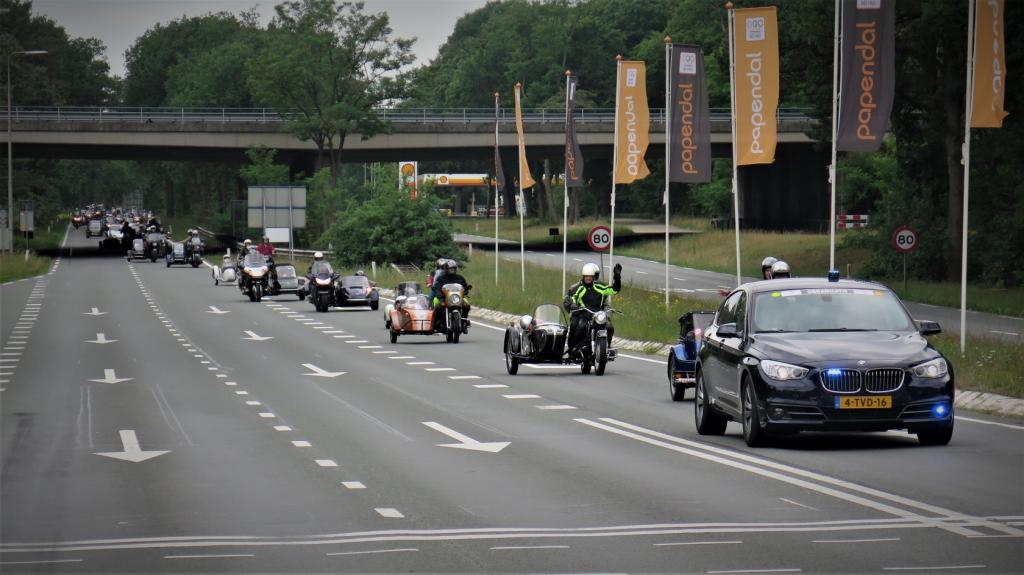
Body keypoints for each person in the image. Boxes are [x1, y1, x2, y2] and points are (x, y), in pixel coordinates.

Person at [563, 262, 622, 357]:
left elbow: (614, 290)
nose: (588, 278)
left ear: (594, 277)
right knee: (580, 327)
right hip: (584, 314)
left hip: (598, 315)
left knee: (609, 327)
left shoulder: (600, 287)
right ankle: (574, 348)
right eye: (586, 276)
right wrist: (573, 305)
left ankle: (607, 347)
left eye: (590, 276)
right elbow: (572, 297)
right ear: (583, 276)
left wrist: (617, 277)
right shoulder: (578, 288)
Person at [431, 259, 471, 331]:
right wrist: (440, 297)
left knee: (467, 306)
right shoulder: (441, 278)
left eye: (453, 268)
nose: (452, 270)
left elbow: (464, 287)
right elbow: (437, 288)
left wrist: (466, 291)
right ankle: (436, 323)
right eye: (450, 269)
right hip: (444, 298)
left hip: (457, 298)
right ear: (446, 269)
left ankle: (463, 322)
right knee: (438, 306)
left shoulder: (460, 278)